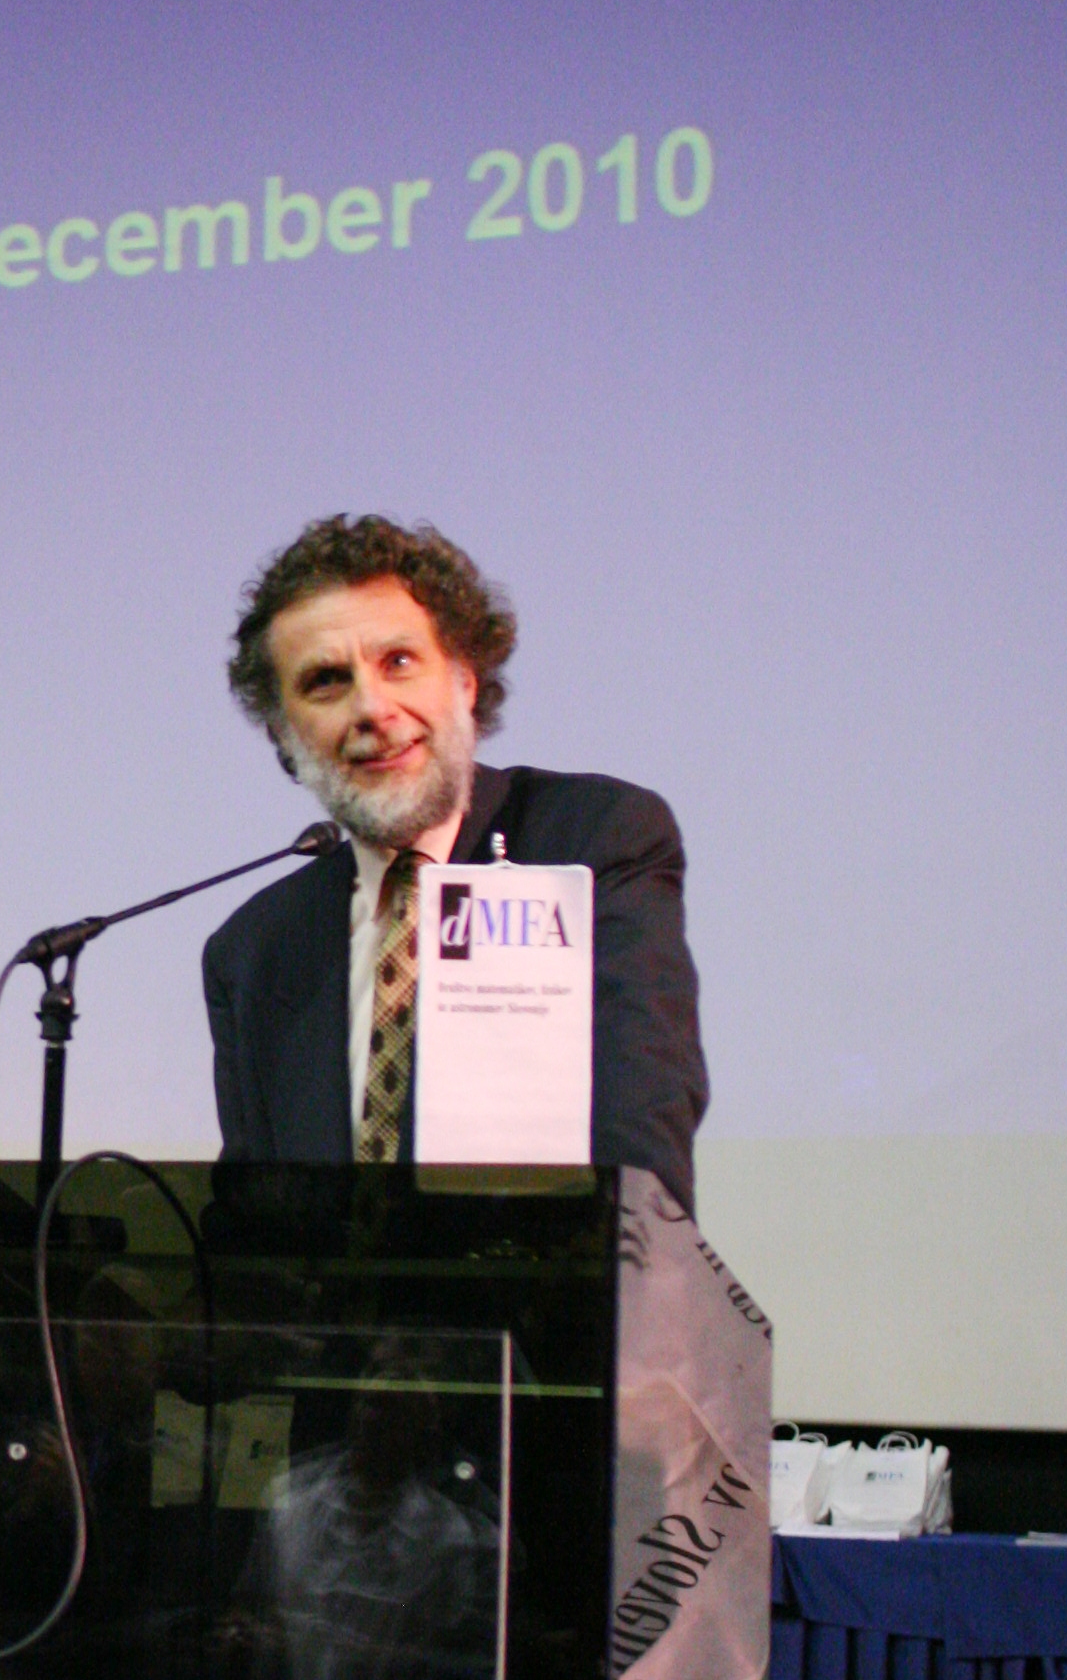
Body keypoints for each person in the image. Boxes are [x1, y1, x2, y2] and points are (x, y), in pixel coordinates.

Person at [201, 512, 706, 1209]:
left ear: (465, 679)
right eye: (326, 681)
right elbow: (250, 1221)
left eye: (399, 663)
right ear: (284, 733)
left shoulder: (593, 841)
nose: (373, 707)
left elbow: (641, 1141)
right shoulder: (255, 949)